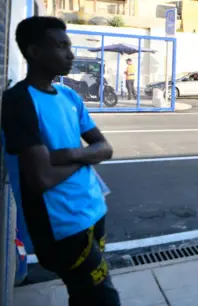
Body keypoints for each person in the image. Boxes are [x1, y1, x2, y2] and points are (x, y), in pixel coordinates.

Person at [2, 16, 120, 305]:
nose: (70, 54)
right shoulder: (19, 100)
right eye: (61, 46)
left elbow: (105, 148)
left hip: (93, 209)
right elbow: (41, 179)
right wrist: (86, 158)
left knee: (84, 294)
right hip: (62, 225)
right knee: (103, 298)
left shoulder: (68, 95)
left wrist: (67, 155)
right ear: (34, 51)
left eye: (70, 46)